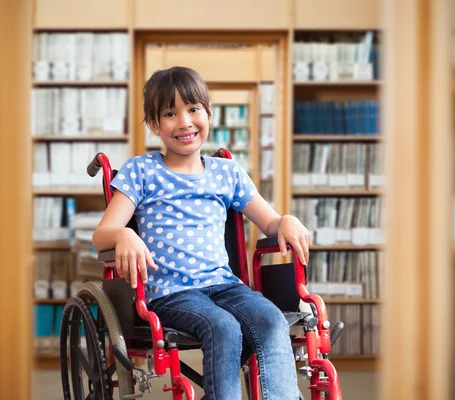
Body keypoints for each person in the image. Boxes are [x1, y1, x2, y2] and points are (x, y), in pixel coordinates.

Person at [92, 66, 311, 400]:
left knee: (270, 320)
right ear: (154, 125)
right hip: (172, 291)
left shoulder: (226, 173)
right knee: (223, 326)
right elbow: (102, 233)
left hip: (225, 285)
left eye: (193, 109)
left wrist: (288, 220)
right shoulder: (142, 171)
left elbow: (270, 223)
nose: (184, 122)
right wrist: (124, 235)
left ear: (208, 114)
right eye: (170, 113)